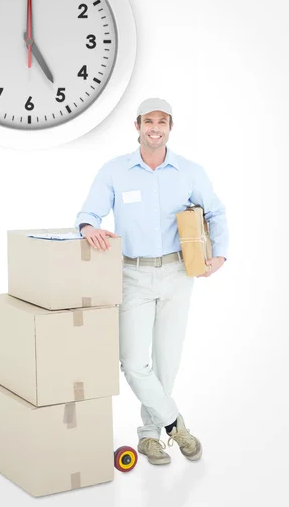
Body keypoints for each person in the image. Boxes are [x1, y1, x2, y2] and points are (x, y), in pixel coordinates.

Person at [74, 97, 228, 466]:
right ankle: (177, 426)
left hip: (179, 274)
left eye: (162, 122)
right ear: (137, 126)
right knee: (131, 362)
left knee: (166, 362)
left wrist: (219, 254)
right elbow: (88, 211)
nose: (155, 128)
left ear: (170, 127)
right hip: (132, 275)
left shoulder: (190, 171)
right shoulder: (115, 171)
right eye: (148, 122)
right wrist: (89, 226)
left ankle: (149, 437)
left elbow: (216, 211)